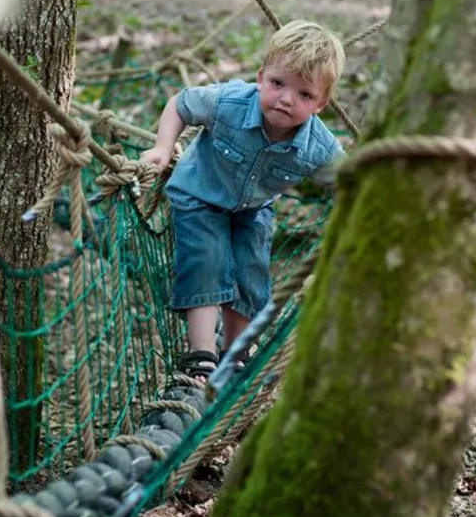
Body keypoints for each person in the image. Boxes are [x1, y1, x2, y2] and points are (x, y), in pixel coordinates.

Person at [141, 20, 346, 380]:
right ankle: (201, 355)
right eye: (278, 83)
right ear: (260, 77)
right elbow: (182, 104)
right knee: (207, 258)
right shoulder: (228, 103)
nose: (286, 98)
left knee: (252, 272)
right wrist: (161, 148)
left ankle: (235, 355)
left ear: (321, 104)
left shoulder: (320, 148)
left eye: (304, 94)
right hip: (199, 195)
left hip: (252, 208)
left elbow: (347, 183)